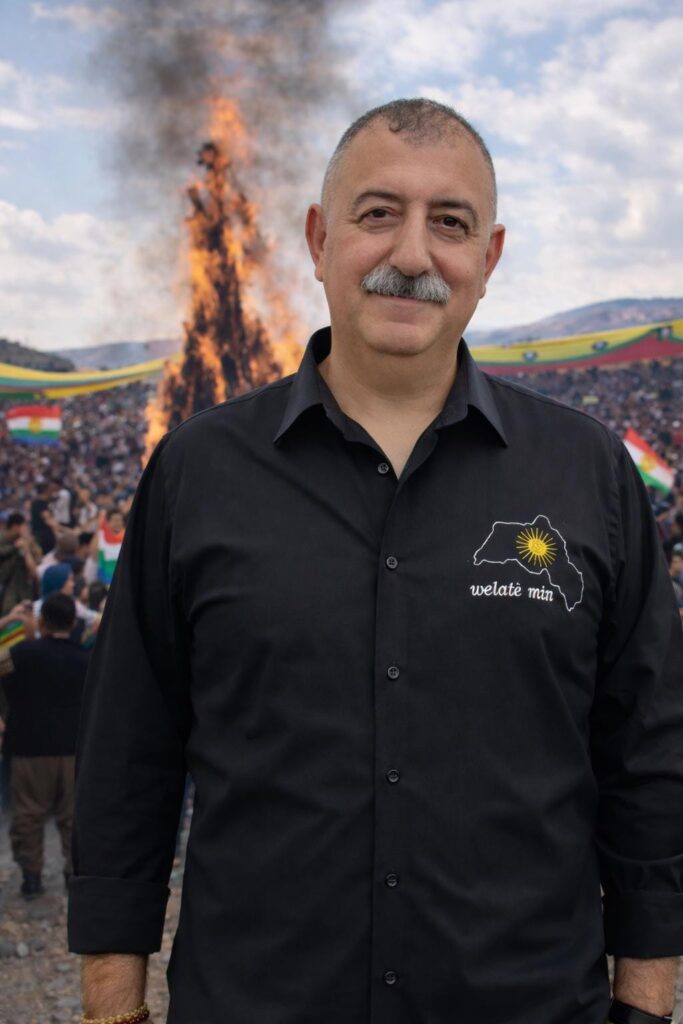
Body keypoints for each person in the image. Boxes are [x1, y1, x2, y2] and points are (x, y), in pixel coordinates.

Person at [67, 99, 683, 1024]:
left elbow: (647, 755)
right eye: (378, 213)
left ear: (489, 257)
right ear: (320, 239)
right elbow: (128, 754)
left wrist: (644, 1002)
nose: (412, 254)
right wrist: (113, 1007)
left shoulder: (585, 470)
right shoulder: (198, 469)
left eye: (450, 223)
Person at [0, 593, 89, 898]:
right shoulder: (86, 659)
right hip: (74, 748)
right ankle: (72, 873)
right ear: (73, 623)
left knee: (28, 814)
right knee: (73, 816)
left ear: (40, 621)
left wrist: (12, 622)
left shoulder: (20, 654)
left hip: (28, 746)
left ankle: (32, 877)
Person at [0, 512, 39, 615]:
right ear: (15, 527)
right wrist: (15, 547)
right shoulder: (2, 538)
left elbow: (35, 564)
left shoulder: (26, 541)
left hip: (22, 585)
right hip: (6, 584)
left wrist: (27, 545)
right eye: (24, 526)